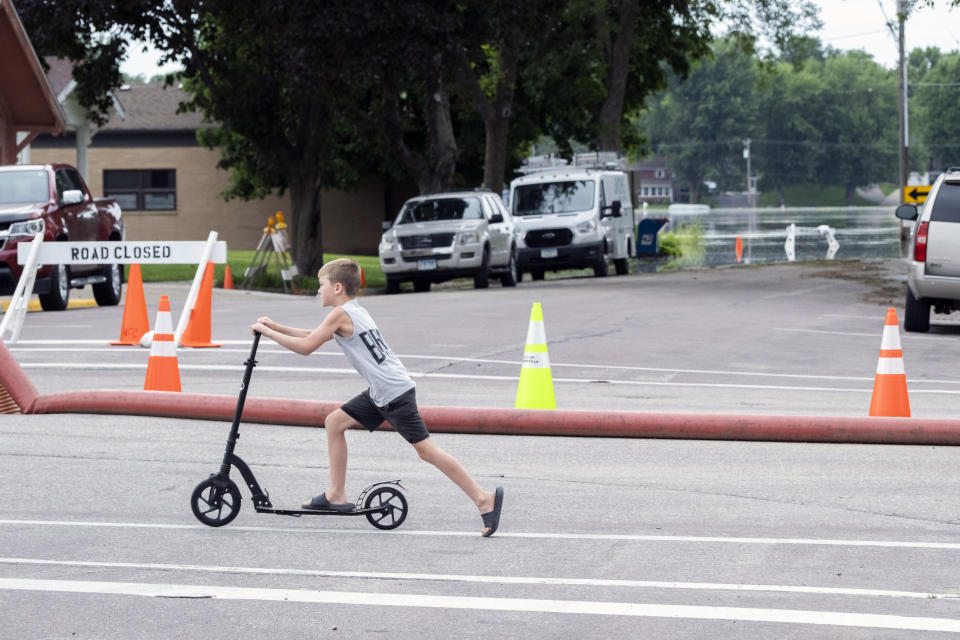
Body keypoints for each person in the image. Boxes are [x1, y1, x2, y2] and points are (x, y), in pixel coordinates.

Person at [250, 258, 504, 537]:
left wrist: (267, 332)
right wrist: (276, 326)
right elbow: (314, 335)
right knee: (335, 422)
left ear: (336, 287)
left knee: (426, 451)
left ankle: (483, 498)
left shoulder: (339, 314)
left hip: (393, 393)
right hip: (383, 390)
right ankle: (335, 494)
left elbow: (307, 346)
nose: (317, 291)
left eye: (321, 285)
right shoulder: (353, 310)